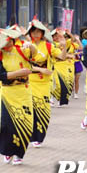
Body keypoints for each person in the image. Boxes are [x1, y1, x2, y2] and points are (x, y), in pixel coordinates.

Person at [0, 28, 35, 165]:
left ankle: (19, 153)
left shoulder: (22, 49)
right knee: (8, 124)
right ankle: (8, 151)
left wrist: (31, 45)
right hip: (8, 93)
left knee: (26, 122)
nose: (6, 44)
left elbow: (34, 55)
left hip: (23, 91)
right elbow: (0, 76)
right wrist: (19, 73)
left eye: (8, 40)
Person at [26, 19, 64, 147]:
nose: (36, 34)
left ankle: (39, 137)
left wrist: (64, 46)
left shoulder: (48, 46)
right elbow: (24, 65)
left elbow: (62, 57)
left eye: (39, 32)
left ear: (42, 33)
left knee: (43, 110)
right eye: (34, 31)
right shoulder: (26, 45)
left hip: (44, 83)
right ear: (30, 33)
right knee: (30, 110)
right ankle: (30, 135)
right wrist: (40, 69)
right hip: (29, 81)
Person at [72, 34, 83, 99]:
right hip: (70, 65)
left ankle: (76, 93)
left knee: (76, 80)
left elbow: (81, 48)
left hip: (78, 65)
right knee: (71, 80)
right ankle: (71, 91)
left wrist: (78, 40)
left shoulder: (79, 48)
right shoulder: (70, 47)